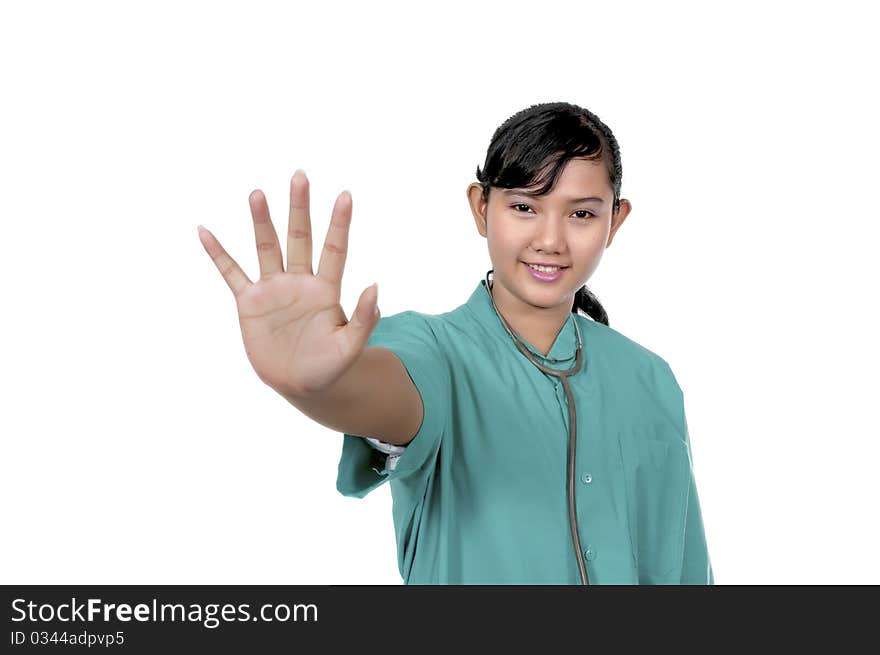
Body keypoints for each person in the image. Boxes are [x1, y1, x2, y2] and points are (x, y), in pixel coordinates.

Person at [197, 101, 714, 585]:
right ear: (481, 207)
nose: (552, 240)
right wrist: (316, 385)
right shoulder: (432, 350)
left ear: (614, 221)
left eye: (581, 214)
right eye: (524, 207)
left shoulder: (650, 379)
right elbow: (385, 396)